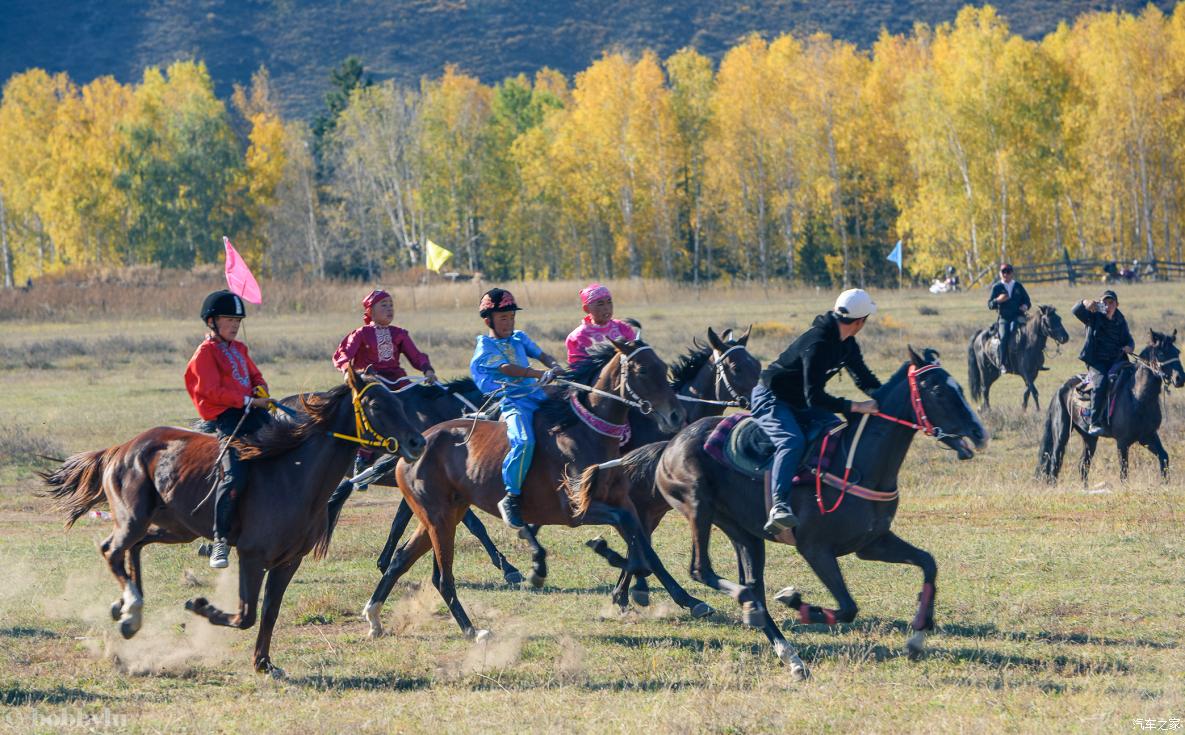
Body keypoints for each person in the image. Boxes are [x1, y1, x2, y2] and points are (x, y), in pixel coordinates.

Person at [751, 289, 883, 534]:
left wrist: (887, 399)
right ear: (859, 322)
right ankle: (779, 505)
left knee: (836, 429)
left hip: (800, 403)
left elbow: (865, 379)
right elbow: (816, 397)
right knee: (791, 441)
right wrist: (855, 407)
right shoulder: (818, 343)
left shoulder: (847, 344)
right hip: (771, 398)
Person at [185, 290, 272, 569]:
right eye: (229, 319)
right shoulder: (204, 354)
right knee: (233, 477)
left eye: (237, 320)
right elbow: (211, 390)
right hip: (228, 421)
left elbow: (254, 375)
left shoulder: (239, 349)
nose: (235, 325)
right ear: (212, 322)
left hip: (255, 414)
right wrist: (248, 399)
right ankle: (219, 540)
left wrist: (260, 388)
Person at [329, 288, 436, 497]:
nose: (389, 309)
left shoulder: (399, 334)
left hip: (397, 381)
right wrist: (348, 371)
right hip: (372, 383)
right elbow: (343, 354)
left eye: (391, 305)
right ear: (370, 310)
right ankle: (362, 458)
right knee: (377, 412)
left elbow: (415, 355)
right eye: (383, 305)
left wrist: (427, 369)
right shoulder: (360, 334)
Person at [470, 288, 562, 529]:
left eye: (511, 317)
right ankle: (511, 497)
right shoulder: (485, 347)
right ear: (488, 319)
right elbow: (507, 368)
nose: (509, 322)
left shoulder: (520, 337)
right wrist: (537, 373)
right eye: (503, 318)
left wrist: (554, 365)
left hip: (538, 396)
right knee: (524, 442)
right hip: (512, 402)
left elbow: (542, 354)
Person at [1072, 289, 1134, 436]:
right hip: (1096, 361)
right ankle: (1094, 422)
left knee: (1133, 377)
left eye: (1111, 302)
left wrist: (1130, 347)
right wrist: (1084, 302)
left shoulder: (1120, 320)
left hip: (1116, 360)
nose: (1107, 305)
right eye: (1104, 302)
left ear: (1117, 304)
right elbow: (1075, 310)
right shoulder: (1093, 316)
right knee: (1101, 382)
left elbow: (1128, 339)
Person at [565, 283, 638, 366]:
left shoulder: (623, 328)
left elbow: (637, 357)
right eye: (600, 304)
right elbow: (579, 370)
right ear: (586, 309)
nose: (607, 308)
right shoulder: (578, 337)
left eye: (609, 302)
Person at [988, 263, 1031, 374]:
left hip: (1018, 316)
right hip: (1004, 318)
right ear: (1000, 274)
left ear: (1012, 273)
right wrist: (998, 300)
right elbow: (990, 305)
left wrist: (1025, 306)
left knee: (1032, 333)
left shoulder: (1018, 286)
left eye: (1008, 272)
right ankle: (1002, 363)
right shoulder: (997, 287)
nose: (1006, 274)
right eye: (1003, 272)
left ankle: (1035, 360)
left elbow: (1027, 301)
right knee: (1005, 336)